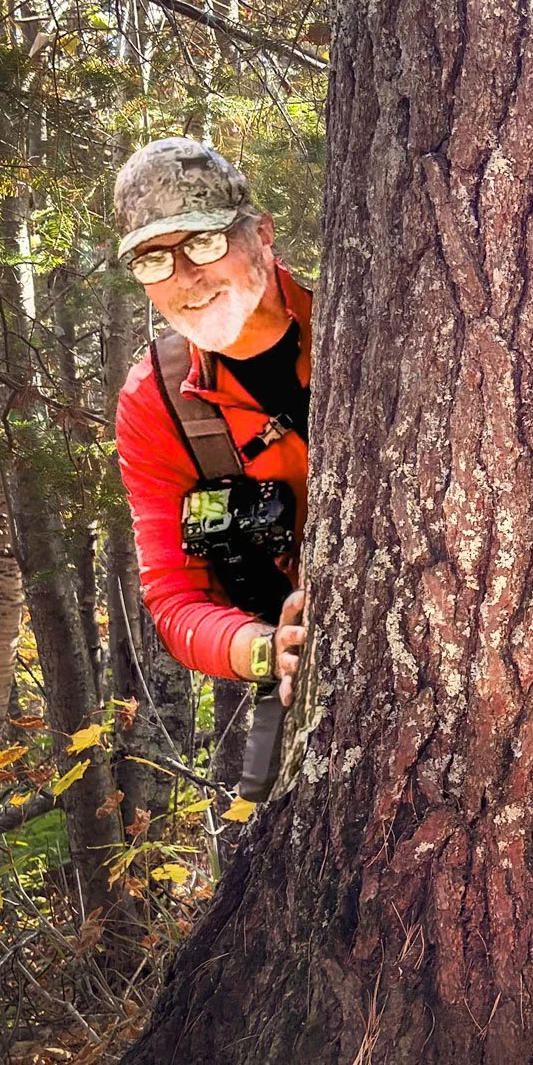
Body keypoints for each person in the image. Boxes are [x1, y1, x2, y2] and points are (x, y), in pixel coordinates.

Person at [111, 139, 308, 801]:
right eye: (153, 258)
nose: (184, 278)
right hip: (311, 675)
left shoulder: (362, 320)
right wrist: (262, 647)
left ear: (260, 235)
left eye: (201, 242)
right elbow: (173, 596)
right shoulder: (157, 400)